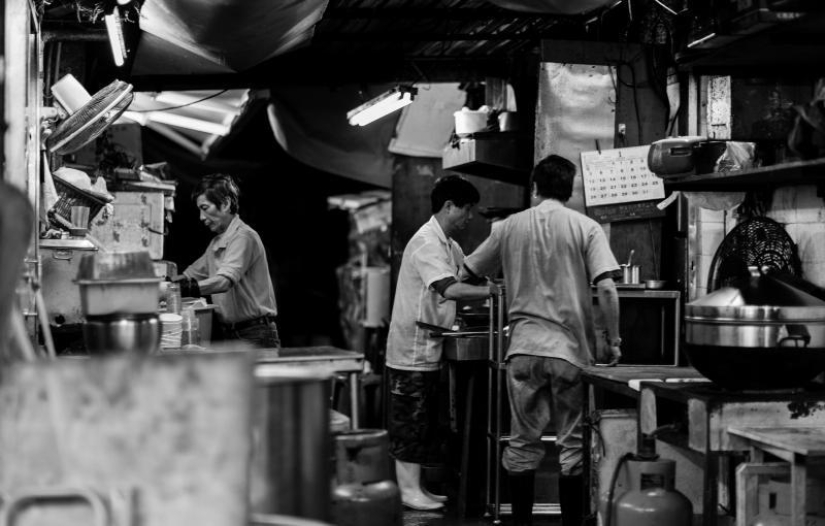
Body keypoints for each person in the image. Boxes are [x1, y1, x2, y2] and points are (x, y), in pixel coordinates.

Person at [463, 154, 621, 526]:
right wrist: (613, 340)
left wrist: (501, 283)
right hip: (569, 353)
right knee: (572, 446)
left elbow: (468, 270)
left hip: (522, 351)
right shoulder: (586, 227)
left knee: (522, 443)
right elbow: (608, 289)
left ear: (534, 188)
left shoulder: (507, 227)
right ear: (570, 191)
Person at [385, 174, 498, 511]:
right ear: (449, 207)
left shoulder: (449, 245)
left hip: (428, 345)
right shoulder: (426, 243)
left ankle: (416, 487)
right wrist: (495, 293)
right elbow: (449, 289)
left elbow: (465, 276)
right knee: (409, 421)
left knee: (423, 422)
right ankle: (407, 491)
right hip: (411, 349)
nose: (469, 218)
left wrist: (489, 277)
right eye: (466, 210)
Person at [174, 173, 280, 349]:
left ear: (225, 204)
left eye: (205, 207)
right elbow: (189, 275)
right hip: (231, 334)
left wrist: (184, 289)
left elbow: (224, 281)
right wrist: (167, 285)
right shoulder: (216, 243)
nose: (201, 217)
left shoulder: (243, 237)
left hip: (255, 335)